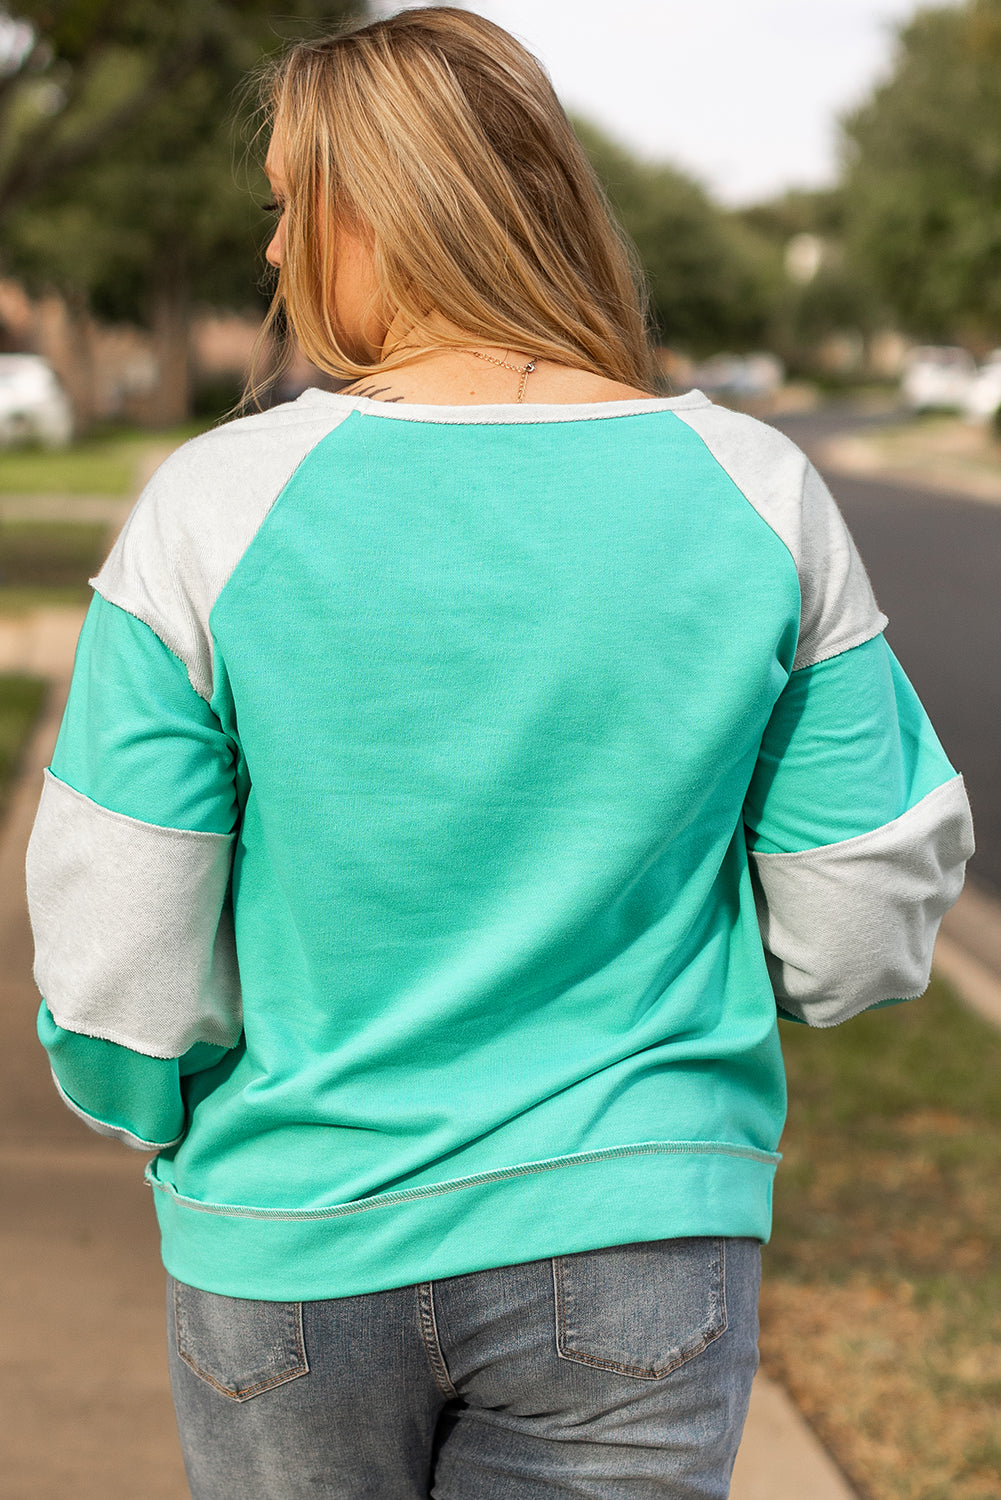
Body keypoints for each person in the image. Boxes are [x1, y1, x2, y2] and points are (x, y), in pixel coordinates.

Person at [26, 9, 974, 1498]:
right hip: (635, 1239)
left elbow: (114, 957)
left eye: (291, 205)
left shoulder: (212, 511)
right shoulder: (755, 492)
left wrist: (168, 1121)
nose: (269, 254)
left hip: (291, 1240)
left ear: (387, 215)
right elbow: (858, 923)